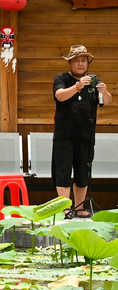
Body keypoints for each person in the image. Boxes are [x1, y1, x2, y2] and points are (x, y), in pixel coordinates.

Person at [53, 45, 111, 218]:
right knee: (63, 172)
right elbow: (60, 95)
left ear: (88, 63)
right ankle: (65, 208)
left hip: (86, 134)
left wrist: (104, 91)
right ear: (70, 63)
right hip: (64, 134)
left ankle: (79, 207)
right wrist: (78, 86)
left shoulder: (93, 80)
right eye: (76, 61)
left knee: (82, 173)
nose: (80, 64)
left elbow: (106, 101)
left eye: (83, 61)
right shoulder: (61, 78)